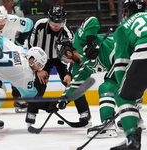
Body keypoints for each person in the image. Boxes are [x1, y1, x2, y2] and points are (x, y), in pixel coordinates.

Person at [25, 5, 92, 128]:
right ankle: (31, 112)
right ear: (48, 18)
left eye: (60, 21)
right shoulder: (39, 25)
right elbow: (31, 47)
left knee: (73, 84)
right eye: (54, 21)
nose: (57, 25)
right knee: (39, 83)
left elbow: (73, 55)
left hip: (62, 59)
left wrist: (69, 74)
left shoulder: (67, 32)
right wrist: (37, 70)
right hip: (42, 58)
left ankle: (85, 113)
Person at [56, 15, 118, 138]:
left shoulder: (79, 40)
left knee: (106, 87)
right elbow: (77, 87)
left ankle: (108, 124)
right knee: (119, 89)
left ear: (68, 52)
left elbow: (92, 20)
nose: (67, 62)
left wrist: (90, 42)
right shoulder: (79, 67)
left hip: (122, 55)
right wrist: (64, 100)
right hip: (120, 65)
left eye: (65, 59)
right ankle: (135, 120)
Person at [0, 35, 47, 135]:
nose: (39, 69)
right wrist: (49, 105)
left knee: (0, 87)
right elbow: (32, 99)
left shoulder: (20, 50)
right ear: (31, 60)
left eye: (41, 67)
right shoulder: (25, 74)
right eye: (38, 65)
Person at [0, 5, 33, 112]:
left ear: (6, 17)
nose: (0, 24)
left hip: (10, 52)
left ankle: (18, 99)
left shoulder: (13, 19)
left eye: (3, 20)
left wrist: (20, 41)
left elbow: (30, 24)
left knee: (18, 73)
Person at [110, 0, 146, 149]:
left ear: (126, 12)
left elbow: (120, 65)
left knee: (124, 95)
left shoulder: (124, 27)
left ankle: (133, 140)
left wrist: (124, 92)